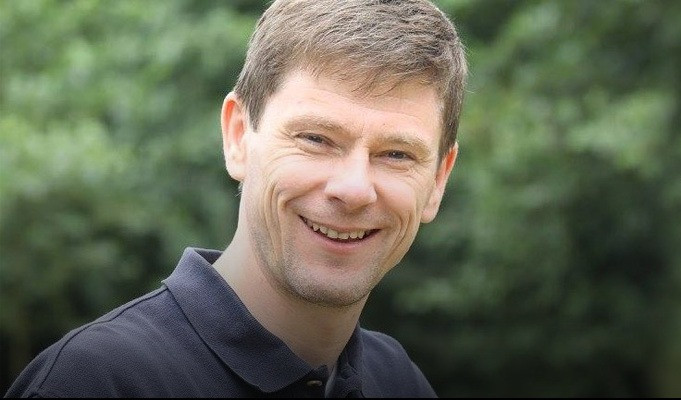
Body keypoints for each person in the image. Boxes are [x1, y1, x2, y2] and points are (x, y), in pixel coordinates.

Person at [5, 0, 466, 397]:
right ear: (238, 137)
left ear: (438, 181)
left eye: (396, 154)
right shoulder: (95, 381)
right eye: (316, 139)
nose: (353, 189)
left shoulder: (398, 380)